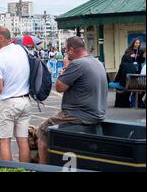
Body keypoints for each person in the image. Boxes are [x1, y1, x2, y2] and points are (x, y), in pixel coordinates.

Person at [37, 37, 108, 165]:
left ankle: (43, 167)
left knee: (42, 131)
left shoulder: (77, 64)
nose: (65, 53)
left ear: (71, 50)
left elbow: (59, 87)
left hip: (78, 114)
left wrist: (64, 69)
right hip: (98, 113)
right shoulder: (97, 62)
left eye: (65, 50)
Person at [0, 27, 32, 163]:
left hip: (9, 103)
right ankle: (26, 170)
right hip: (25, 101)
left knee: (4, 142)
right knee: (23, 141)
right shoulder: (21, 50)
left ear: (1, 38)